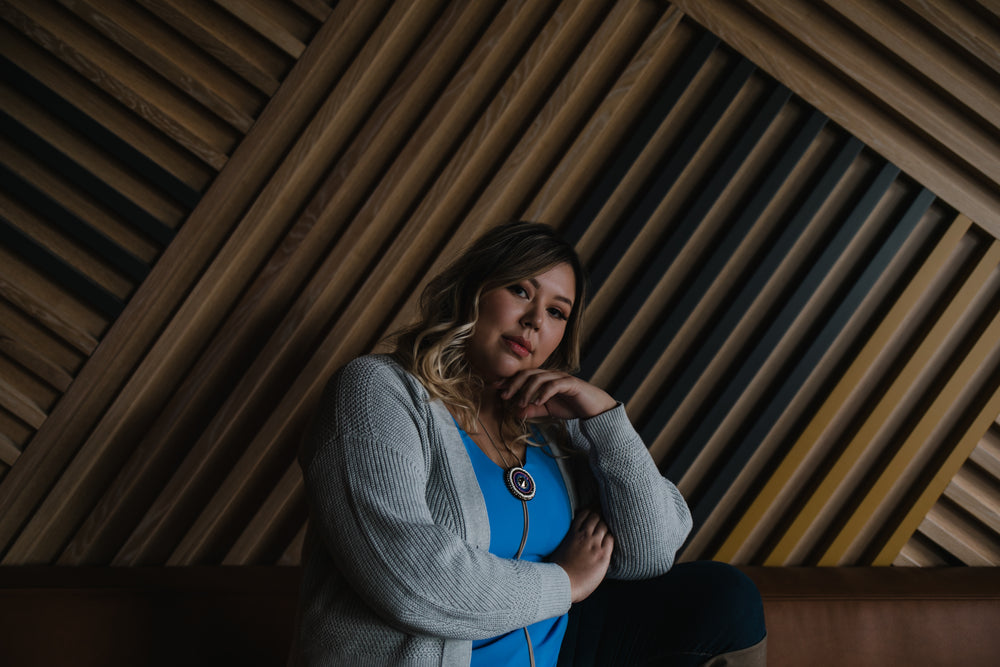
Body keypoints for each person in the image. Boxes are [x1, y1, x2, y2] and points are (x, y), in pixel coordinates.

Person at [294, 222, 766, 666]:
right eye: (520, 290)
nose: (535, 320)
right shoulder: (377, 391)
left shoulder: (552, 428)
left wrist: (605, 420)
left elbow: (651, 552)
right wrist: (566, 581)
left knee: (723, 598)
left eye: (557, 312)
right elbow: (410, 582)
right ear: (472, 293)